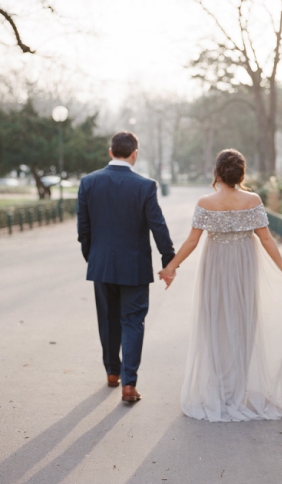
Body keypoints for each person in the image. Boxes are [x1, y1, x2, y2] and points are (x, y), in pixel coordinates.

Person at [159, 149, 282, 422]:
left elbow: (191, 242)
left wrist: (171, 268)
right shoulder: (253, 200)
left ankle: (220, 391)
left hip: (215, 267)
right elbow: (267, 239)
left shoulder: (206, 201)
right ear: (241, 173)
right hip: (244, 267)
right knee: (243, 322)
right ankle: (235, 392)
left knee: (215, 324)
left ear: (217, 172)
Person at [77, 131, 175, 403]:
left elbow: (83, 229)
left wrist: (93, 257)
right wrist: (169, 260)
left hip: (102, 265)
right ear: (134, 154)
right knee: (133, 322)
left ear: (110, 152)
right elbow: (158, 226)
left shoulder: (88, 182)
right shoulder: (145, 186)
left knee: (107, 319)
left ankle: (112, 372)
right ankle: (129, 384)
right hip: (135, 267)